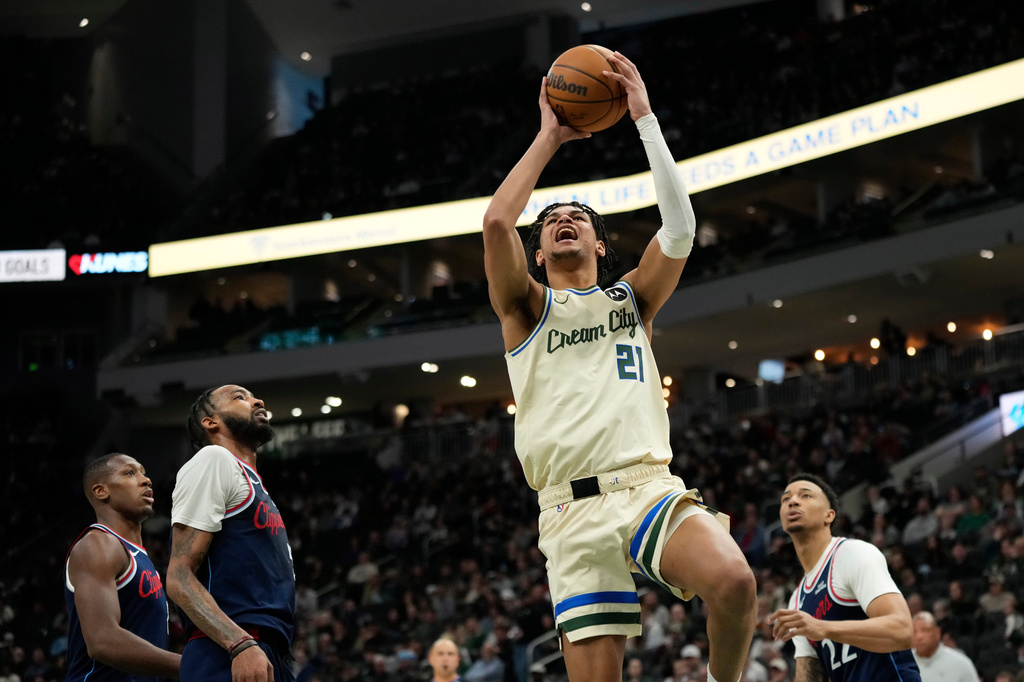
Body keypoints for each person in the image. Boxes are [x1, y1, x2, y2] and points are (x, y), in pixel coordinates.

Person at [482, 51, 756, 682]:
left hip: (646, 488)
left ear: (599, 244)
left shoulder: (631, 298)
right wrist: (550, 137)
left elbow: (680, 228)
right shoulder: (525, 308)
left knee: (735, 581)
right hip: (569, 511)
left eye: (576, 217)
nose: (563, 221)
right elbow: (497, 221)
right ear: (538, 251)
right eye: (551, 221)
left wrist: (644, 120)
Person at [166, 385, 295, 682]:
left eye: (254, 396)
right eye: (240, 397)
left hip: (265, 649)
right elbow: (179, 576)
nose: (258, 400)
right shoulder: (214, 459)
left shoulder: (253, 482)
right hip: (228, 648)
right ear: (210, 422)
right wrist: (239, 643)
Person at [770, 473, 921, 682]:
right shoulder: (798, 599)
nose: (792, 501)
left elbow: (902, 631)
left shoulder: (852, 554)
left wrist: (823, 628)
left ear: (829, 515)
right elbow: (810, 677)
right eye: (786, 498)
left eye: (805, 496)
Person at [64, 453, 181, 681]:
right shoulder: (98, 545)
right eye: (130, 473)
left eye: (144, 473)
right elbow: (102, 641)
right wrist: (189, 665)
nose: (146, 480)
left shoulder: (138, 555)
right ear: (101, 491)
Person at [910, 611, 979, 682]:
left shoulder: (961, 664)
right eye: (914, 632)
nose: (919, 636)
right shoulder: (904, 663)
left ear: (938, 633)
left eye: (925, 630)